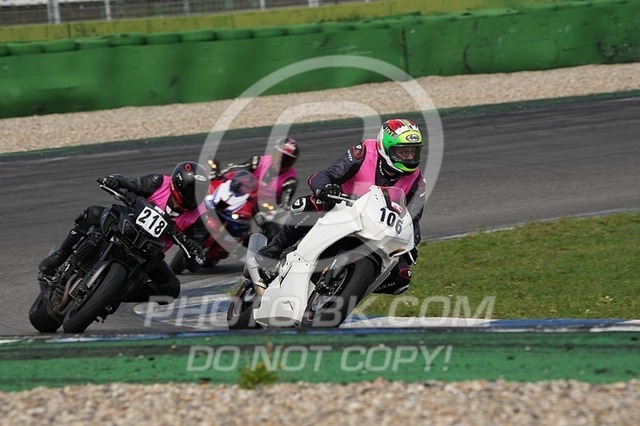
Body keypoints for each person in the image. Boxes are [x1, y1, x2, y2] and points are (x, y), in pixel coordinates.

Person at [255, 119, 426, 295]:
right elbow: (327, 175)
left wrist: (411, 244)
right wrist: (325, 188)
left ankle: (351, 288)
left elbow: (413, 220)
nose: (409, 157)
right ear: (385, 147)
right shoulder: (365, 152)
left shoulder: (417, 180)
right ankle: (274, 250)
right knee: (307, 204)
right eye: (403, 151)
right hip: (343, 209)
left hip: (379, 231)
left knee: (402, 278)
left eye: (413, 151)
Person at [38, 161, 209, 303]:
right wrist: (115, 181)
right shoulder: (158, 182)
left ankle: (116, 295)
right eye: (191, 190)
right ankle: (60, 255)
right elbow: (131, 185)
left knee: (171, 289)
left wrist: (194, 252)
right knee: (92, 213)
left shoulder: (199, 215)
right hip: (127, 226)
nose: (194, 196)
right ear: (177, 185)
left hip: (150, 253)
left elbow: (196, 253)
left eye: (199, 192)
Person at [218, 137, 300, 210]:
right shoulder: (258, 161)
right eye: (279, 157)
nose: (281, 163)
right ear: (273, 153)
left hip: (266, 207)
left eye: (286, 160)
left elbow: (285, 204)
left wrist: (283, 209)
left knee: (269, 220)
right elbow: (237, 168)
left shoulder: (290, 180)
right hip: (245, 197)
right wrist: (222, 173)